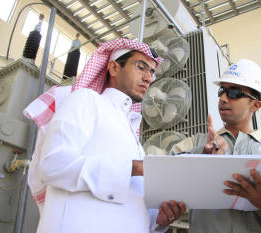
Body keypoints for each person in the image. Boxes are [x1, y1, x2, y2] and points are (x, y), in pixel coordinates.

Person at [31, 38, 185, 233]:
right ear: (113, 68)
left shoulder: (133, 138)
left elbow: (132, 202)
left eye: (152, 72)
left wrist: (160, 219)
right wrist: (133, 168)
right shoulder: (86, 100)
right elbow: (53, 165)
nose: (149, 78)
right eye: (141, 67)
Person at [171, 59, 261, 233]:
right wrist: (200, 156)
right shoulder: (196, 144)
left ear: (255, 104)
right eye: (222, 91)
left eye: (234, 93)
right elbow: (161, 180)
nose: (223, 98)